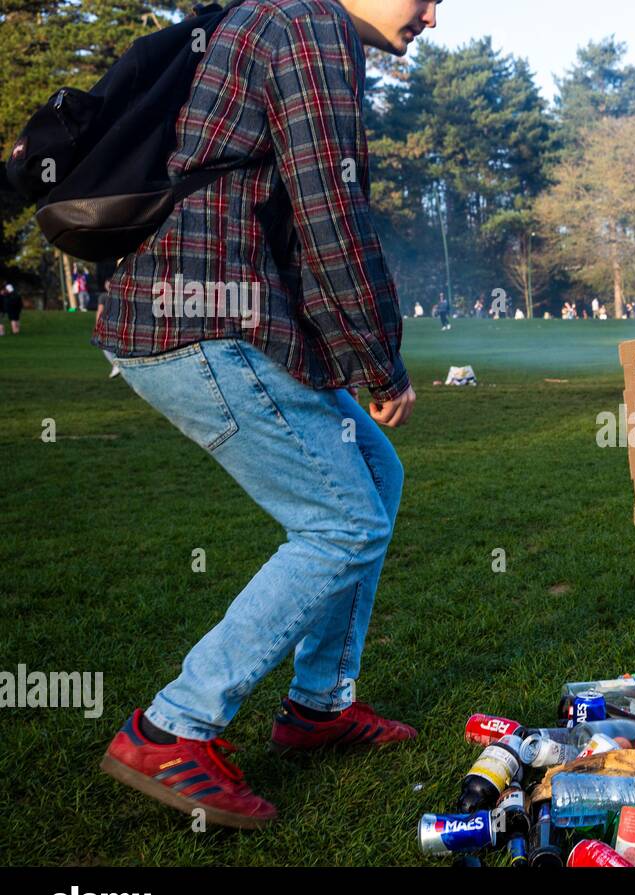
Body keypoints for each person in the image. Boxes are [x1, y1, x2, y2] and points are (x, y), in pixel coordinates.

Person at [94, 0, 439, 830]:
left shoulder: (282, 21)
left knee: (372, 476)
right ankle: (172, 727)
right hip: (198, 323)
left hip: (226, 316)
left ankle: (318, 705)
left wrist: (345, 357)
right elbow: (330, 216)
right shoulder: (306, 24)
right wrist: (377, 361)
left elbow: (289, 212)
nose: (434, 14)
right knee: (339, 523)